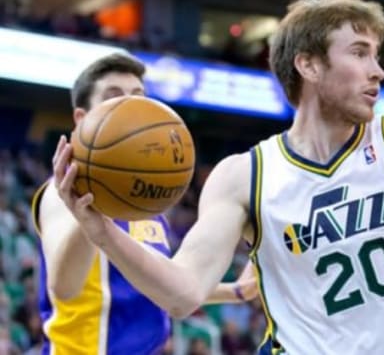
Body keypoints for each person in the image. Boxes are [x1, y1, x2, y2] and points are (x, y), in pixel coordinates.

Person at [51, 0, 384, 354]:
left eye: (377, 56)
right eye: (359, 52)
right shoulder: (244, 175)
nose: (378, 71)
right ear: (308, 65)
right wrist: (99, 228)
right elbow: (182, 294)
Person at [33, 53, 257, 355]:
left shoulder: (142, 203)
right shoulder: (64, 196)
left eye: (139, 97)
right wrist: (89, 220)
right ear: (83, 120)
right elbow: (64, 288)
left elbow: (147, 284)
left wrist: (234, 292)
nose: (130, 107)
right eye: (114, 98)